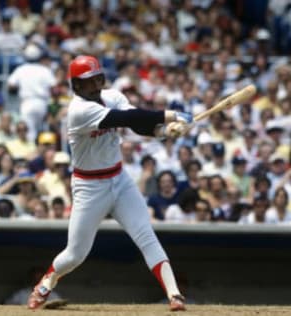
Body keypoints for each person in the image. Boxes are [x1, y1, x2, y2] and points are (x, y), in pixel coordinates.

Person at [27, 55, 191, 311]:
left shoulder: (112, 96)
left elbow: (136, 123)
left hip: (119, 179)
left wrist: (162, 132)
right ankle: (48, 280)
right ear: (76, 86)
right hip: (89, 186)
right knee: (75, 254)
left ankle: (175, 295)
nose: (94, 86)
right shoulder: (79, 110)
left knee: (146, 235)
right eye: (88, 82)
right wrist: (170, 116)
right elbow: (125, 119)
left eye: (98, 79)